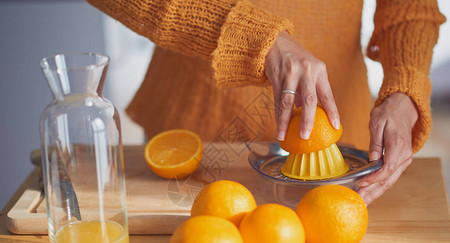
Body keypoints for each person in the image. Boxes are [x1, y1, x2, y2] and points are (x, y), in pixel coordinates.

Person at [86, 0, 446, 205]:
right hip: (194, 139)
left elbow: (411, 8)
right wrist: (254, 38)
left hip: (338, 150)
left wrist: (405, 87)